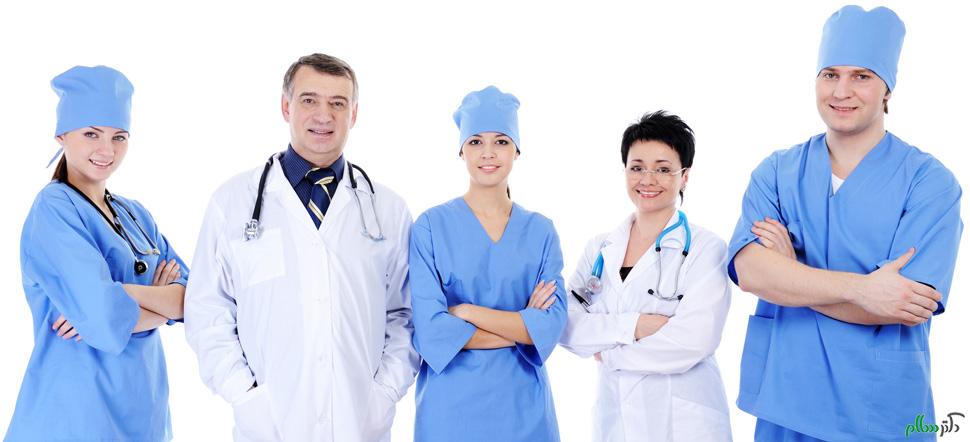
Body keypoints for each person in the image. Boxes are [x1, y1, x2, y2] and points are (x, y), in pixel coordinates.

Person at [728, 6, 963, 441]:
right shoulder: (777, 173)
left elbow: (905, 303)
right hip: (787, 401)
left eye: (862, 76)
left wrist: (790, 275)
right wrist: (863, 289)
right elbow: (751, 272)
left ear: (887, 89)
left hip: (881, 411)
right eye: (830, 74)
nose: (841, 91)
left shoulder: (930, 184)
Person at [184, 53, 419, 442]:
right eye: (309, 100)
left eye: (338, 103)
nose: (324, 116)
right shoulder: (232, 203)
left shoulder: (388, 210)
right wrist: (244, 395)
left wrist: (383, 395)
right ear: (286, 106)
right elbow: (208, 310)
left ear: (354, 114)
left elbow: (405, 314)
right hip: (268, 425)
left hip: (360, 424)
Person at [5, 65, 188, 441]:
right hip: (75, 416)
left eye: (119, 137)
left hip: (145, 413)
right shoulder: (53, 209)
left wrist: (119, 295)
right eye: (91, 134)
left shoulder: (136, 215)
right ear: (61, 136)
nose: (107, 150)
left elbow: (195, 301)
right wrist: (159, 304)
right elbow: (104, 318)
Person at [559, 111, 732, 441]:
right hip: (615, 420)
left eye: (663, 169)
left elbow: (693, 340)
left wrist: (609, 352)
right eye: (637, 167)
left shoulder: (706, 248)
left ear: (685, 177)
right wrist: (635, 325)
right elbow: (566, 326)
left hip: (684, 423)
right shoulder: (600, 248)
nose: (648, 179)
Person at [409, 85, 567, 441]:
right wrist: (521, 327)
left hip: (525, 413)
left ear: (517, 150)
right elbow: (431, 333)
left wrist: (466, 312)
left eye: (501, 141)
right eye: (476, 141)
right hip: (451, 415)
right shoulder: (430, 227)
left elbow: (550, 327)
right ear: (461, 150)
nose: (488, 152)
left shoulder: (541, 231)